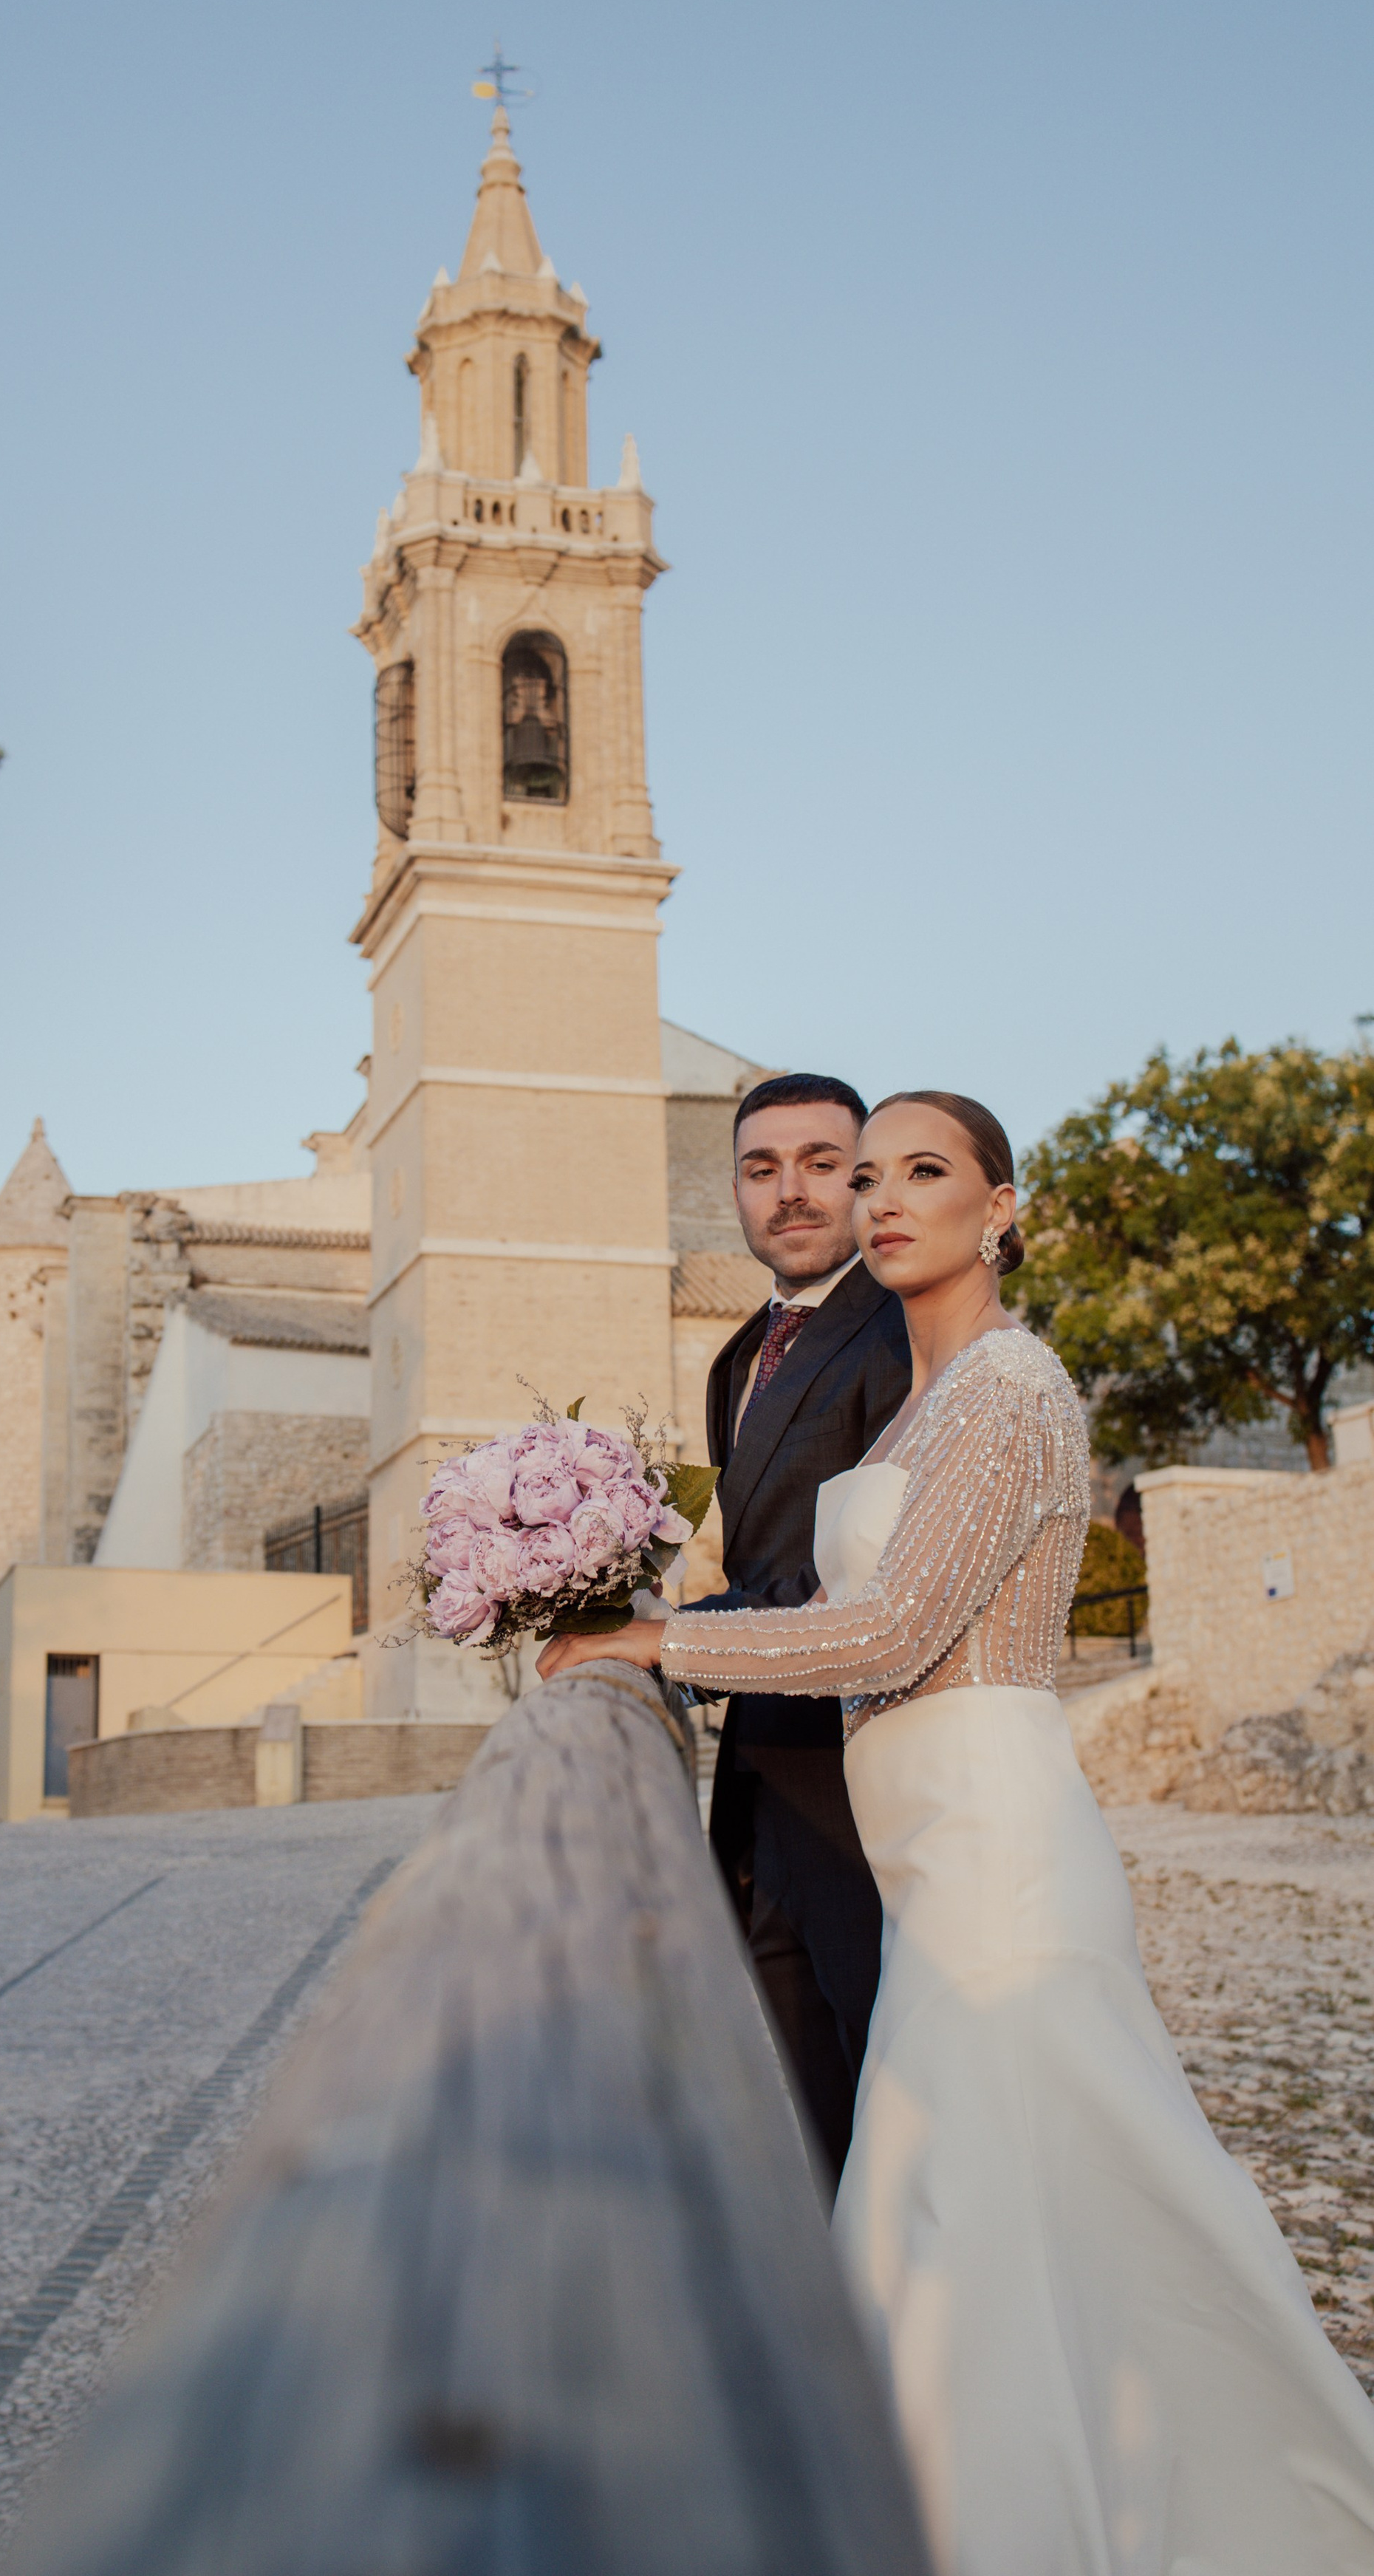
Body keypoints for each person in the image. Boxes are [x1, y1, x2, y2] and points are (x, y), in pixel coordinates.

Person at [543, 1091, 1374, 2575]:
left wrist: (652, 1643)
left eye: (918, 1172)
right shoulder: (927, 1399)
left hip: (998, 1858)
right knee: (983, 2207)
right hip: (926, 1858)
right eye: (867, 1177)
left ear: (1000, 1208)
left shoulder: (1008, 1390)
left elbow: (892, 1629)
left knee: (1012, 2192)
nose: (875, 1198)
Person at [690, 1072, 910, 2184]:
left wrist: (667, 1649)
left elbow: (882, 1586)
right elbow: (759, 1559)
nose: (792, 1192)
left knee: (897, 2098)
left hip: (871, 1789)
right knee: (816, 2105)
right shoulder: (737, 1357)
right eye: (761, 1169)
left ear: (863, 1178)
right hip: (762, 1781)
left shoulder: (905, 1332)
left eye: (823, 1163)